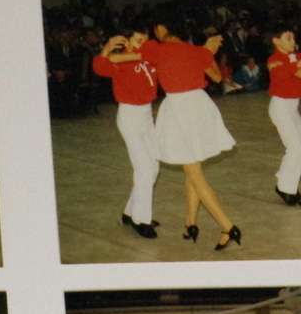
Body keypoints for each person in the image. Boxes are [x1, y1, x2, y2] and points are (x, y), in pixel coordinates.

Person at [138, 20, 240, 249]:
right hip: (200, 105)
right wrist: (208, 52)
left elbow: (137, 52)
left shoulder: (157, 49)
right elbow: (217, 77)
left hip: (179, 109)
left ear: (162, 28)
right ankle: (191, 222)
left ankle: (228, 226)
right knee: (193, 168)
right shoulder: (197, 51)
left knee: (194, 173)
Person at [94, 31, 161, 236]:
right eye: (138, 41)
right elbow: (99, 67)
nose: (143, 44)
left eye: (145, 40)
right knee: (144, 168)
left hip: (147, 115)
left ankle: (130, 212)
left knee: (153, 166)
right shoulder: (120, 60)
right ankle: (141, 220)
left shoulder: (149, 55)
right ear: (127, 41)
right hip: (129, 116)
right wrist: (107, 48)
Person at [266, 28, 301, 206]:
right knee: (295, 148)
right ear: (275, 41)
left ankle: (290, 186)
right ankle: (284, 187)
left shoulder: (295, 57)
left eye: (294, 38)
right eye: (288, 38)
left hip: (292, 107)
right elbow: (283, 72)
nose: (293, 41)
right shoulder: (274, 60)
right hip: (280, 107)